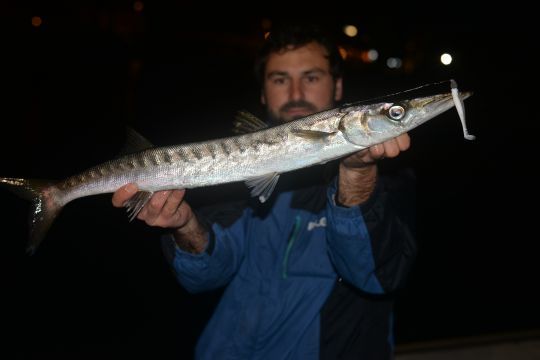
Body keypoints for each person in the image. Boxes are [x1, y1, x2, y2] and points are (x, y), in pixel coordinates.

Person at [112, 22, 416, 359]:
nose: (296, 92)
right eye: (280, 79)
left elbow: (377, 277)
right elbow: (205, 277)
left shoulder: (389, 171)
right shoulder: (240, 176)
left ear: (338, 85)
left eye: (312, 77)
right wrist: (184, 225)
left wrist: (358, 174)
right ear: (262, 91)